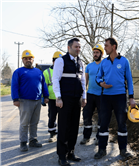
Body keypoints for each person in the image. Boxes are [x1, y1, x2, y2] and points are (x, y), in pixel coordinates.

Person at [94, 37, 136, 159]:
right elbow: (98, 77)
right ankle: (102, 150)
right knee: (103, 124)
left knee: (122, 124)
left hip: (120, 97)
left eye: (106, 45)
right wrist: (101, 83)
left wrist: (131, 97)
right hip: (105, 97)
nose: (104, 48)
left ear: (113, 46)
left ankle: (123, 150)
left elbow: (129, 80)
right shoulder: (104, 62)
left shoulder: (124, 61)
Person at [52, 38, 87, 166]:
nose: (78, 49)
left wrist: (84, 97)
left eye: (79, 47)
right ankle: (62, 156)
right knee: (63, 127)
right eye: (76, 46)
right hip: (65, 100)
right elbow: (55, 79)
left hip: (77, 99)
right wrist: (58, 97)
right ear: (69, 47)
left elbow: (83, 81)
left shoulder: (81, 62)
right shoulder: (61, 61)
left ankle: (70, 152)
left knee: (74, 127)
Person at [11, 50, 49, 152]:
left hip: (37, 101)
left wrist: (46, 96)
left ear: (33, 59)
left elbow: (43, 85)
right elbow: (14, 86)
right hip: (24, 101)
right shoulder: (18, 72)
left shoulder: (39, 72)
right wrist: (15, 99)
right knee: (24, 123)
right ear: (22, 60)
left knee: (34, 122)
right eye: (26, 59)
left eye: (30, 58)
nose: (28, 60)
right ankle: (23, 142)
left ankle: (33, 140)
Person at [80, 44, 103, 145]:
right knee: (86, 115)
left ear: (101, 54)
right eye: (94, 52)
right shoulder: (89, 66)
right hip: (90, 94)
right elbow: (85, 81)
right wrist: (83, 95)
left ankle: (99, 137)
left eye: (97, 52)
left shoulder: (105, 65)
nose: (95, 54)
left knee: (102, 117)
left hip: (102, 95)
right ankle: (86, 137)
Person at [43, 51, 63, 142]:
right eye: (56, 60)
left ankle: (62, 133)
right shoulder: (46, 72)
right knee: (52, 116)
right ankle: (52, 133)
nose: (58, 62)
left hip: (62, 98)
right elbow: (44, 86)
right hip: (51, 98)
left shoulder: (63, 70)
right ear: (53, 61)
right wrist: (44, 97)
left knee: (63, 117)